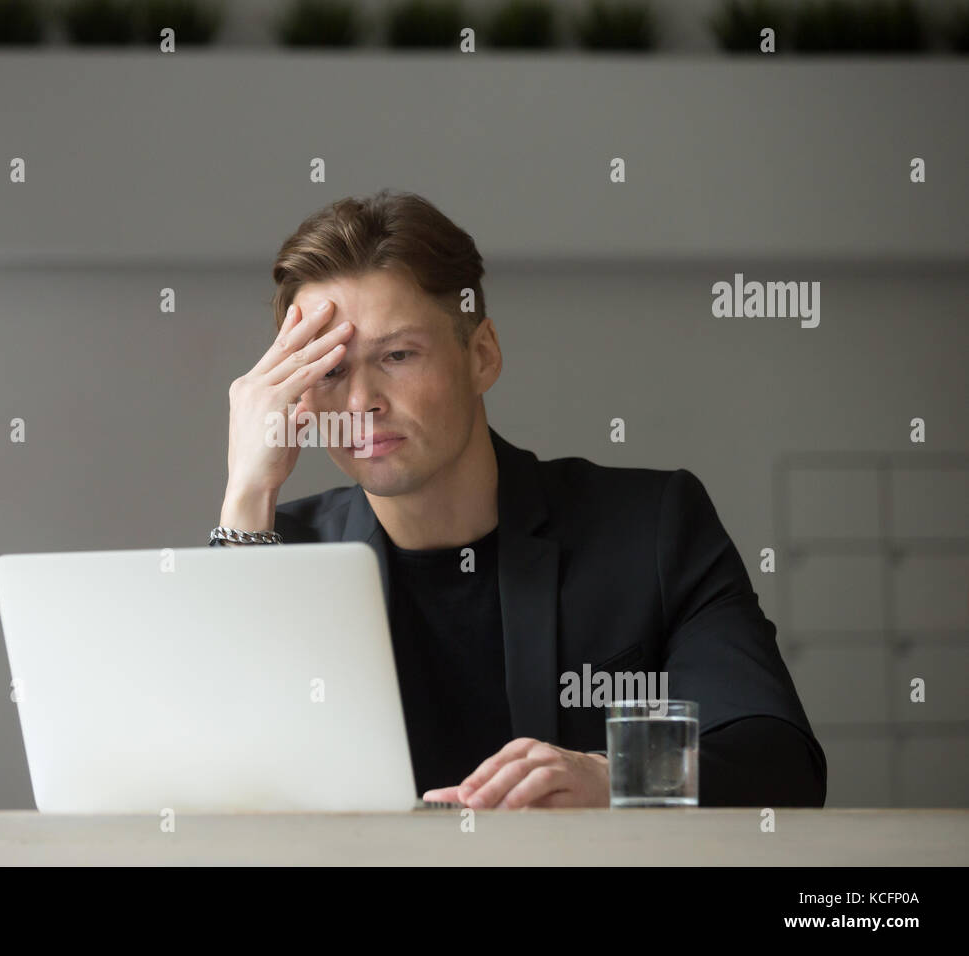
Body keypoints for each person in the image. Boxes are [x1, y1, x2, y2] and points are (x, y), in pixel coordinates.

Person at [211, 188, 826, 809]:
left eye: (397, 355)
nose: (360, 401)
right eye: (330, 371)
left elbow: (778, 762)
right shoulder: (275, 551)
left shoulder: (652, 525)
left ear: (482, 355)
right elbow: (215, 780)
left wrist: (614, 779)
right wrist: (245, 494)